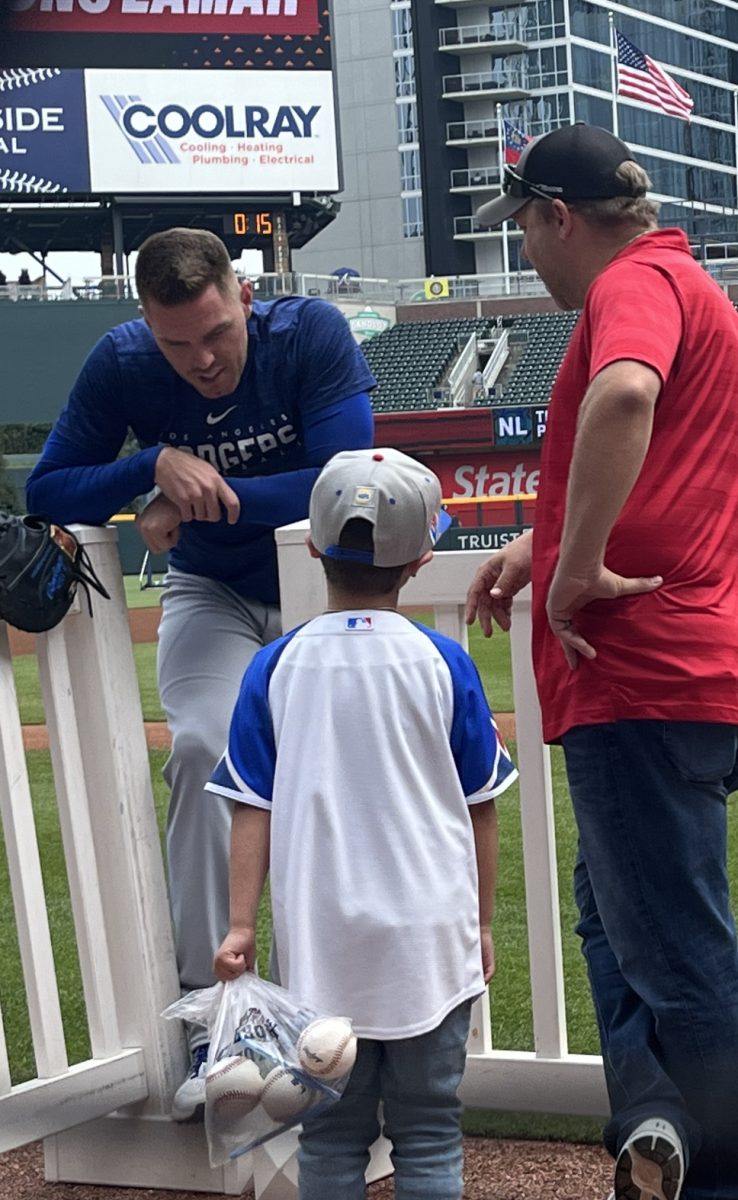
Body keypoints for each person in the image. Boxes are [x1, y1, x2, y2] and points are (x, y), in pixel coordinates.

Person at [25, 227, 375, 1120]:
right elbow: (47, 489)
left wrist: (193, 492)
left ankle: (363, 1022)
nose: (203, 359)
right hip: (213, 587)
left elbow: (342, 482)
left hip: (323, 591)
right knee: (202, 750)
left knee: (348, 775)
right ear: (147, 323)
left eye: (217, 332)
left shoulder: (312, 334)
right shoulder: (126, 359)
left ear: (246, 295)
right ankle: (219, 1023)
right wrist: (150, 466)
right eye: (177, 342)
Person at [466, 122, 738, 1200]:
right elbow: (673, 463)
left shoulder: (632, 286)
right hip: (692, 669)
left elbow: (625, 398)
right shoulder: (691, 285)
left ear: (558, 216)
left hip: (639, 676)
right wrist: (549, 542)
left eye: (525, 228)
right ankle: (659, 1126)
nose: (523, 251)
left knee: (679, 962)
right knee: (611, 914)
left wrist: (575, 570)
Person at [208, 447, 517, 1199]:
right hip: (429, 946)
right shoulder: (444, 664)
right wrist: (480, 924)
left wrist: (240, 926)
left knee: (331, 1134)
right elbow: (481, 805)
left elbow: (253, 802)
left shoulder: (275, 665)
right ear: (420, 558)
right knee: (430, 1128)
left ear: (312, 544)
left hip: (324, 949)